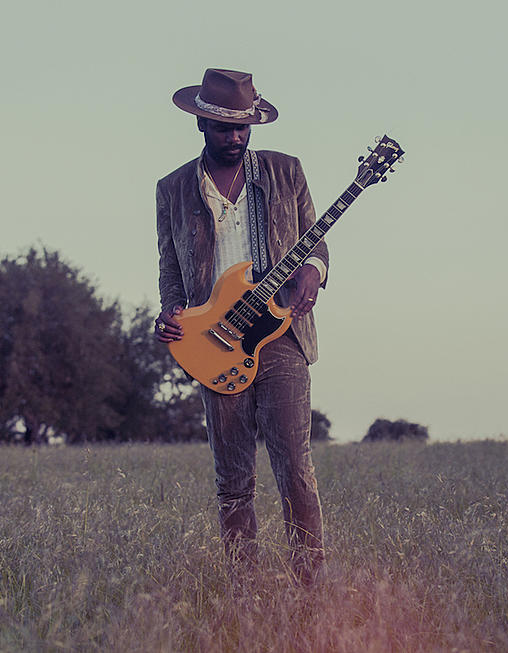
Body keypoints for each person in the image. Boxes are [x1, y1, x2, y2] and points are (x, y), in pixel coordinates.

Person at [153, 68, 328, 585]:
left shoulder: (286, 171)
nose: (234, 137)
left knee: (296, 471)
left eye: (243, 128)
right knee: (233, 482)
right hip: (212, 342)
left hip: (282, 336)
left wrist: (312, 277)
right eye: (223, 127)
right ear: (201, 124)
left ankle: (312, 589)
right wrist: (170, 313)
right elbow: (169, 268)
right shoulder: (173, 189)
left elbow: (315, 243)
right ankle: (244, 595)